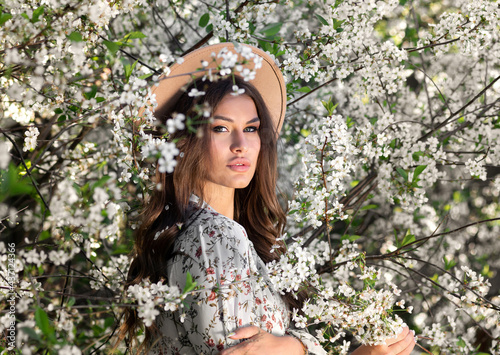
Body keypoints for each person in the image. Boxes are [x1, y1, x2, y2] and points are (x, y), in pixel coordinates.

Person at [117, 43, 416, 355]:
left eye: (251, 129)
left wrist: (296, 345)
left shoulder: (201, 233)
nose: (241, 145)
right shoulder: (215, 235)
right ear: (187, 140)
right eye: (220, 128)